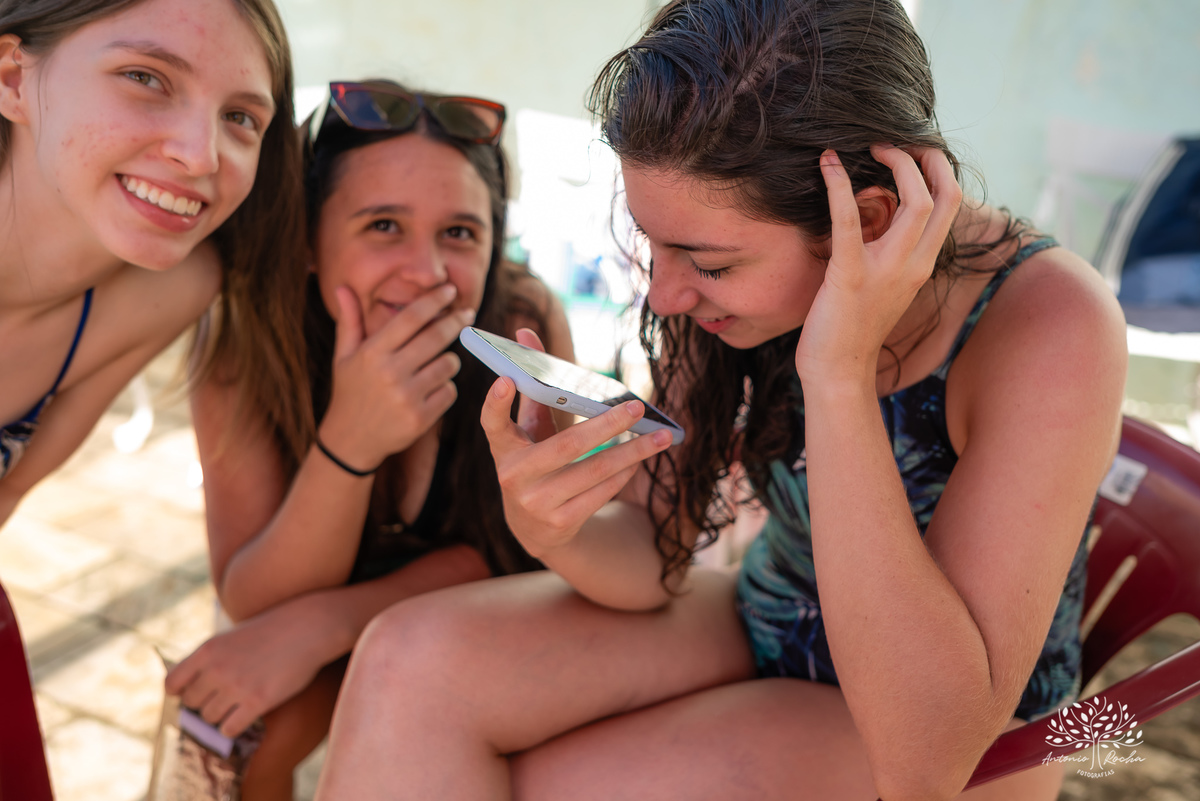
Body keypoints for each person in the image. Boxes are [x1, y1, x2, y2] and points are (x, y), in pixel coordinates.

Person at [314, 1, 1127, 799]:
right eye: (652, 243)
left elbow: (927, 758)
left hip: (955, 737)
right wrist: (552, 525)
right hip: (768, 616)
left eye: (705, 263)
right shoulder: (737, 256)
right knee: (404, 662)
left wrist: (837, 371)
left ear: (867, 222)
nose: (665, 295)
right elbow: (648, 550)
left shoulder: (1051, 323)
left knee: (548, 784)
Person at [164, 79, 573, 801]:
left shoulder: (522, 321)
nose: (425, 272)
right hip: (311, 611)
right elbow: (254, 595)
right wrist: (349, 443)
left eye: (459, 233)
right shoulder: (247, 345)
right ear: (310, 242)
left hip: (477, 630)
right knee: (218, 737)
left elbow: (532, 554)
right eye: (384, 224)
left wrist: (329, 622)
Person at [0, 0, 302, 528]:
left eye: (239, 117)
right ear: (11, 79)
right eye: (145, 77)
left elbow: (6, 498)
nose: (201, 155)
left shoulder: (172, 291)